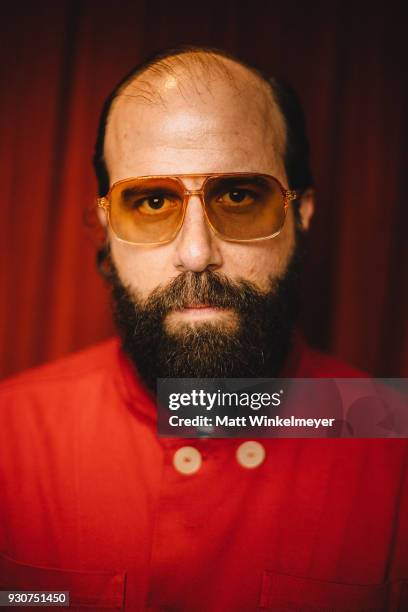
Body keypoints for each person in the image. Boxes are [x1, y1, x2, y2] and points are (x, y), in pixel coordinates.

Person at [0, 46, 407, 611]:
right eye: (151, 201)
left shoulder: (396, 450)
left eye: (239, 196)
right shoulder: (10, 437)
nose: (196, 253)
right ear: (104, 226)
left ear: (302, 212)